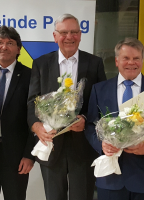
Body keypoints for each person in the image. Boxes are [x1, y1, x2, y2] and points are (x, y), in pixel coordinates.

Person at [27, 14, 106, 200]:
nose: (69, 37)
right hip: (51, 145)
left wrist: (85, 119)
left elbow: (101, 102)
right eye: (64, 32)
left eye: (74, 32)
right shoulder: (40, 64)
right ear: (55, 36)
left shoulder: (95, 63)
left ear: (80, 35)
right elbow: (32, 102)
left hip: (84, 146)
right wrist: (37, 127)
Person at [85, 37, 144, 200]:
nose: (131, 63)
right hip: (110, 178)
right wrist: (102, 144)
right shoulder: (99, 90)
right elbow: (90, 126)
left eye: (136, 58)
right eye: (126, 58)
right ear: (117, 61)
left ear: (142, 60)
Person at [0, 26, 35, 200]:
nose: (4, 47)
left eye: (10, 43)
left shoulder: (31, 76)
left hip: (16, 157)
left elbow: (35, 118)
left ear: (18, 49)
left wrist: (29, 155)